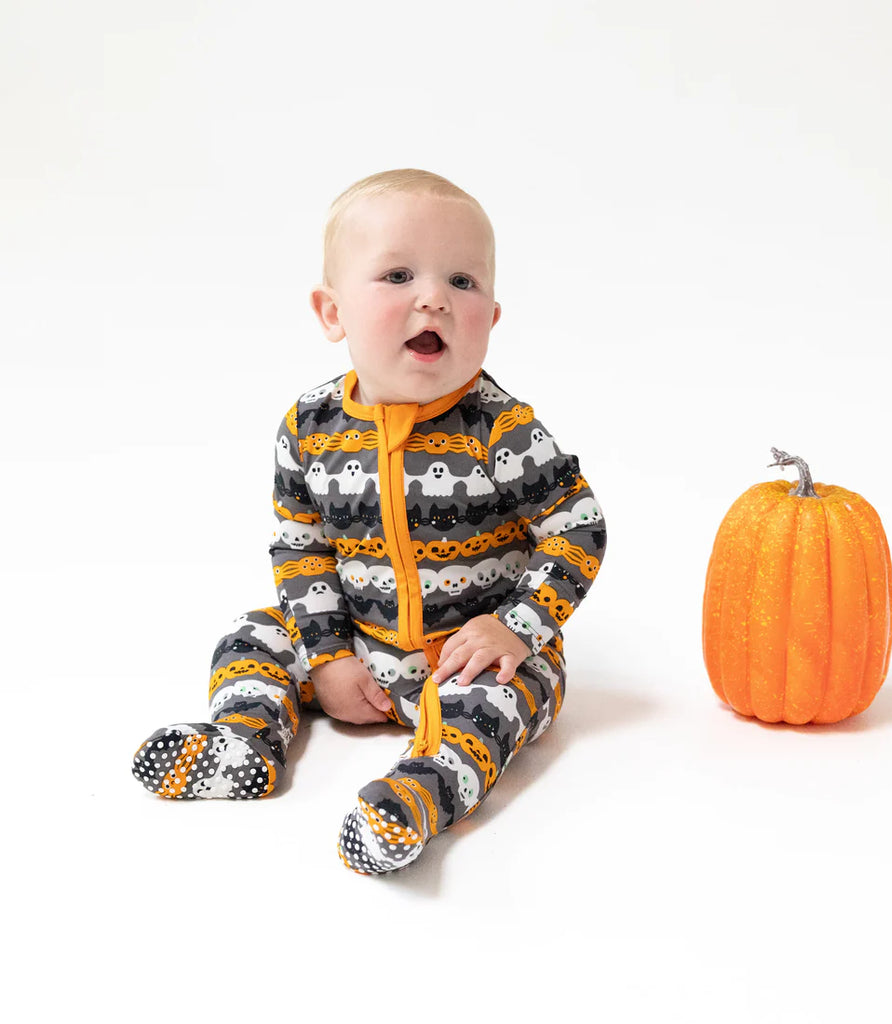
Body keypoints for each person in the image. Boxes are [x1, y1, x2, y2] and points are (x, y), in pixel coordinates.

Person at [132, 169, 606, 874]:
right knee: (254, 632)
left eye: (463, 282)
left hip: (474, 657)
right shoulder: (309, 428)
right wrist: (329, 658)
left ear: (492, 319)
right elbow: (302, 550)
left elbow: (578, 529)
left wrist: (516, 627)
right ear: (333, 313)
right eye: (398, 275)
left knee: (501, 702)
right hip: (359, 644)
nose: (434, 298)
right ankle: (245, 743)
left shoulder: (502, 430)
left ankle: (418, 797)